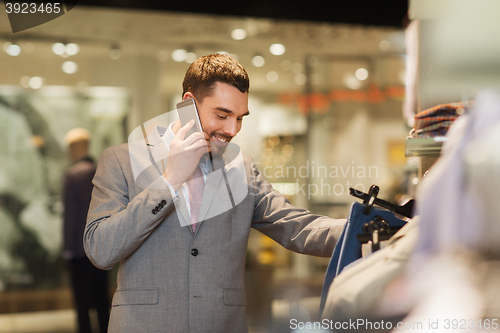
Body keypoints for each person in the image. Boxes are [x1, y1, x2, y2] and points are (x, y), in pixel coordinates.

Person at [84, 53, 346, 333]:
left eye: (239, 118)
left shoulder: (242, 169)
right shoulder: (121, 161)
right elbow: (101, 249)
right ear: (188, 104)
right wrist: (171, 179)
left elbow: (297, 226)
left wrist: (371, 230)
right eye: (222, 115)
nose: (232, 130)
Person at [63, 128, 110, 333]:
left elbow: (71, 217)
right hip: (101, 246)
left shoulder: (72, 175)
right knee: (102, 300)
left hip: (78, 248)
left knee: (82, 304)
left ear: (73, 148)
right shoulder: (101, 171)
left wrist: (67, 248)